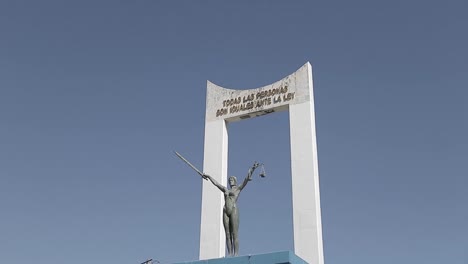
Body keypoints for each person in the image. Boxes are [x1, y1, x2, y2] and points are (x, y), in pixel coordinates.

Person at [203, 162, 260, 257]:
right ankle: (230, 253)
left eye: (232, 180)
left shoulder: (238, 189)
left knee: (234, 233)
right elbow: (216, 184)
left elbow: (246, 180)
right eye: (229, 180)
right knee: (227, 234)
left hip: (233, 209)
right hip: (225, 210)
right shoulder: (225, 189)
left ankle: (236, 253)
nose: (230, 181)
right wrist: (208, 176)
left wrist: (253, 169)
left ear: (235, 181)